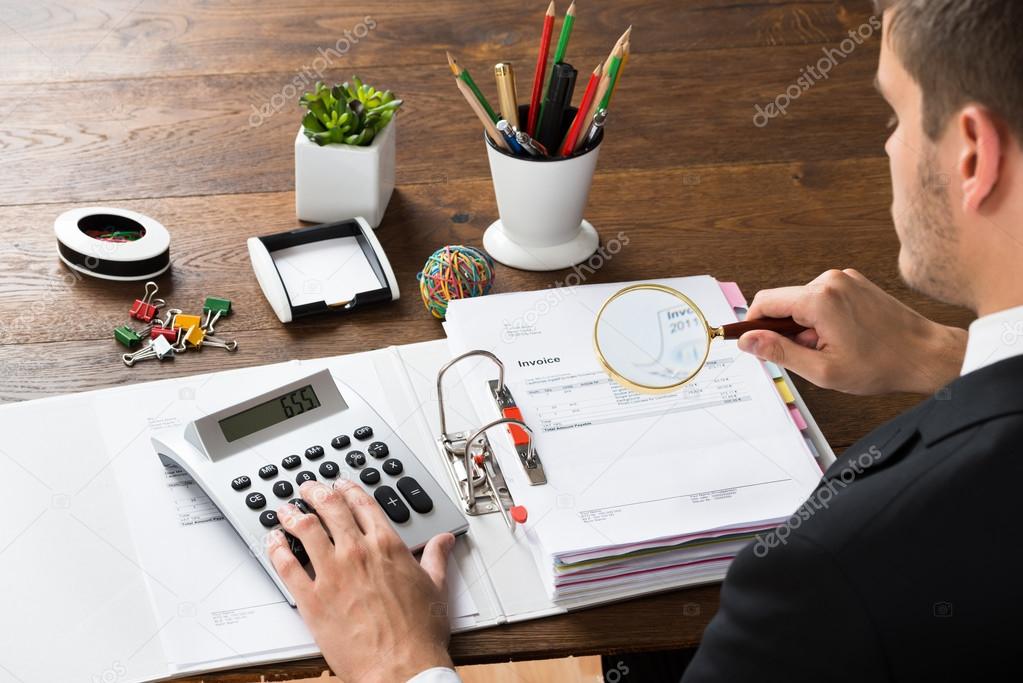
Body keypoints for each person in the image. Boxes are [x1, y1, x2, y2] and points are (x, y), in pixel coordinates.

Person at [266, 0, 1023, 680]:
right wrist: (947, 358)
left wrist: (401, 666)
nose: (887, 148)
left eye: (891, 115)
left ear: (971, 156)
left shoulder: (828, 574)